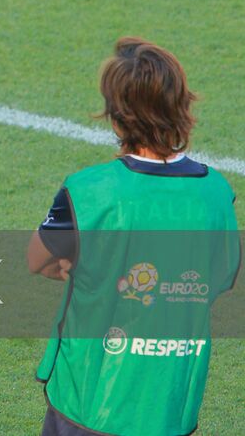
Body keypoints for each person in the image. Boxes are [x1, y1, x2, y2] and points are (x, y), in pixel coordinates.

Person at [27, 38, 240, 436]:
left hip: (88, 403)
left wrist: (90, 268)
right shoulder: (216, 193)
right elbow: (219, 277)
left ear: (116, 116)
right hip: (171, 405)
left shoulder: (89, 190)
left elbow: (36, 259)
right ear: (182, 105)